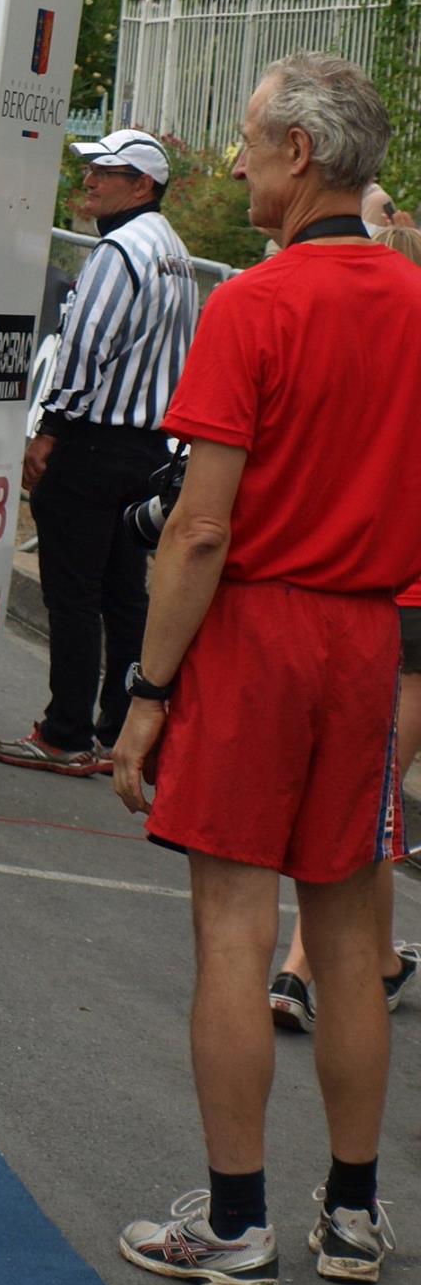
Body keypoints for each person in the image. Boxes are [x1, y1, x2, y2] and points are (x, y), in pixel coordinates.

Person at [111, 53, 421, 1285]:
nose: (234, 163)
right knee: (352, 938)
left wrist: (146, 691)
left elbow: (198, 528)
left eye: (247, 141)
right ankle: (352, 1208)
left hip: (261, 635)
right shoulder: (415, 299)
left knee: (235, 934)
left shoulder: (253, 304)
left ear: (301, 153)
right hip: (371, 636)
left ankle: (236, 1222)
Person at [0, 129, 198, 776]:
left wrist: (49, 428)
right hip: (147, 448)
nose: (90, 180)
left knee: (75, 592)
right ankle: (115, 732)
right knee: (123, 595)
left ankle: (66, 732)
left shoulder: (121, 250)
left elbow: (85, 350)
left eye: (105, 170)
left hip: (93, 442)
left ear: (142, 185)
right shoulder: (174, 250)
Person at [266, 219, 421, 1036]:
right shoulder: (398, 324)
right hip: (381, 595)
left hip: (376, 594)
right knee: (371, 807)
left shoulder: (361, 321)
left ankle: (303, 965)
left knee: (371, 808)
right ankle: (347, 963)